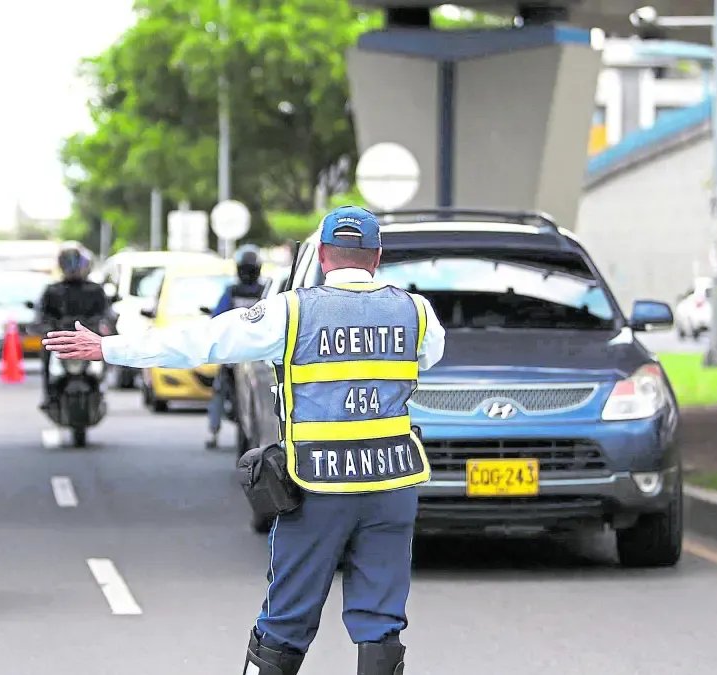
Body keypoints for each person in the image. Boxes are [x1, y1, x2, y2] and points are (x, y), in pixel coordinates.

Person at [43, 206, 446, 675]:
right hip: (391, 486)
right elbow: (429, 355)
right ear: (376, 256)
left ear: (321, 256)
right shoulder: (416, 311)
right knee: (381, 621)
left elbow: (204, 341)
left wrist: (109, 348)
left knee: (286, 620)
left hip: (318, 485)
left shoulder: (291, 311)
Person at [205, 244, 267, 449]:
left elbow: (217, 317)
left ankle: (213, 433)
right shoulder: (264, 292)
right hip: (257, 352)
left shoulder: (232, 291)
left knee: (219, 390)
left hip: (233, 351)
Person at [34, 243, 110, 408]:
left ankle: (102, 389)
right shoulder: (53, 290)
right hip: (62, 339)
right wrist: (45, 327)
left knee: (106, 353)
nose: (73, 269)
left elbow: (106, 313)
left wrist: (104, 326)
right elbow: (42, 315)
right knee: (46, 354)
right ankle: (49, 395)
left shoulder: (95, 290)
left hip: (89, 338)